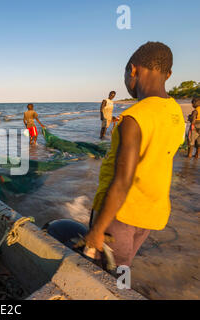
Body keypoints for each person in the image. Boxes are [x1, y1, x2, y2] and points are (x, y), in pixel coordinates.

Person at [83, 42, 185, 269]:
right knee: (122, 266)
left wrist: (98, 230)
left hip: (120, 216)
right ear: (168, 74)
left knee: (105, 276)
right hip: (151, 214)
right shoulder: (175, 112)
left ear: (133, 70)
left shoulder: (133, 118)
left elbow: (122, 182)